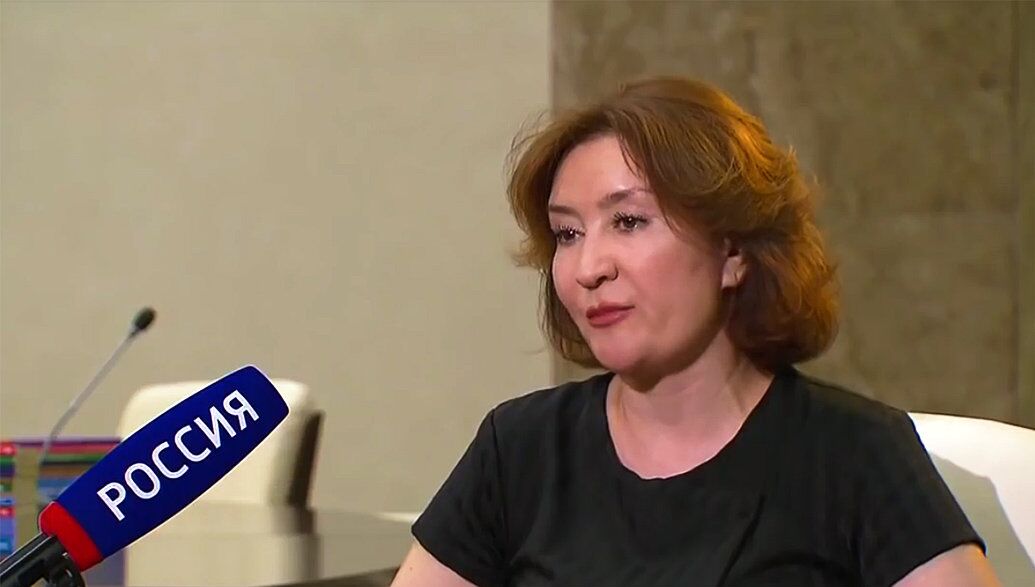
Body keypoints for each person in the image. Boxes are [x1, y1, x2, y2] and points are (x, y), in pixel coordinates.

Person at [390, 76, 1000, 587]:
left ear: (732, 251)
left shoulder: (856, 455)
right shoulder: (520, 449)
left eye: (629, 221)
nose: (588, 267)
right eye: (568, 234)